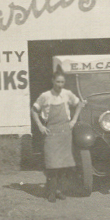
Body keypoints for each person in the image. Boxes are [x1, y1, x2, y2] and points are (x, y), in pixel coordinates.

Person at [31, 70, 84, 202]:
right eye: (58, 82)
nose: (60, 84)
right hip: (51, 132)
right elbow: (33, 111)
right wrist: (40, 126)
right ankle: (50, 192)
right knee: (52, 164)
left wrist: (73, 121)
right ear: (53, 81)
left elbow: (80, 104)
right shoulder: (45, 96)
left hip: (65, 132)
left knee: (63, 165)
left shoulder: (67, 94)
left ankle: (59, 190)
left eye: (62, 82)